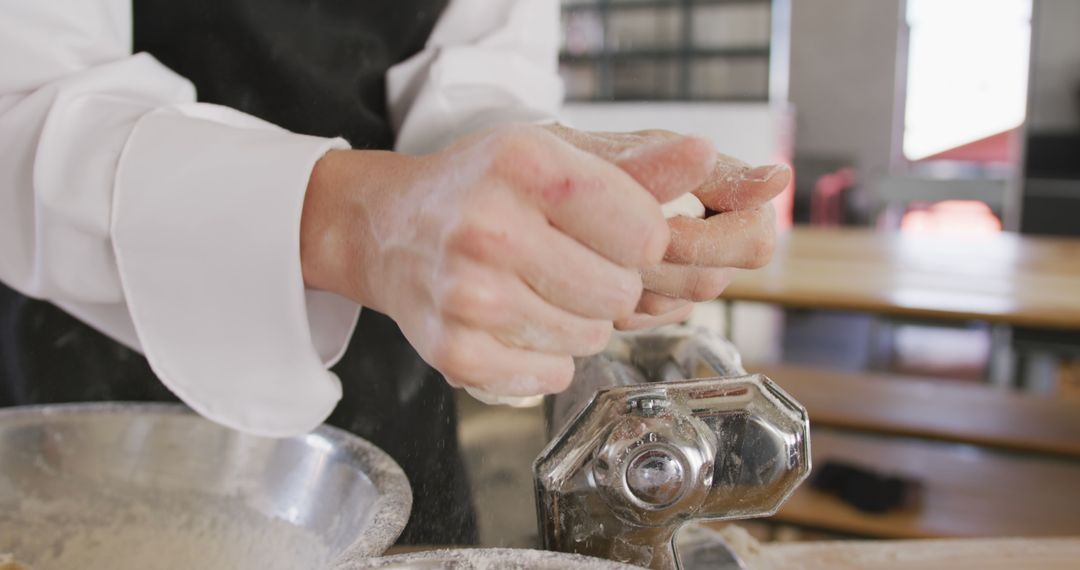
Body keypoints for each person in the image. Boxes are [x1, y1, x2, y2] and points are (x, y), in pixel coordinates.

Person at [0, 0, 789, 544]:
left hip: (389, 401)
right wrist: (357, 223)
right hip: (80, 386)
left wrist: (543, 204)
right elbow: (19, 105)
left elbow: (475, 77)